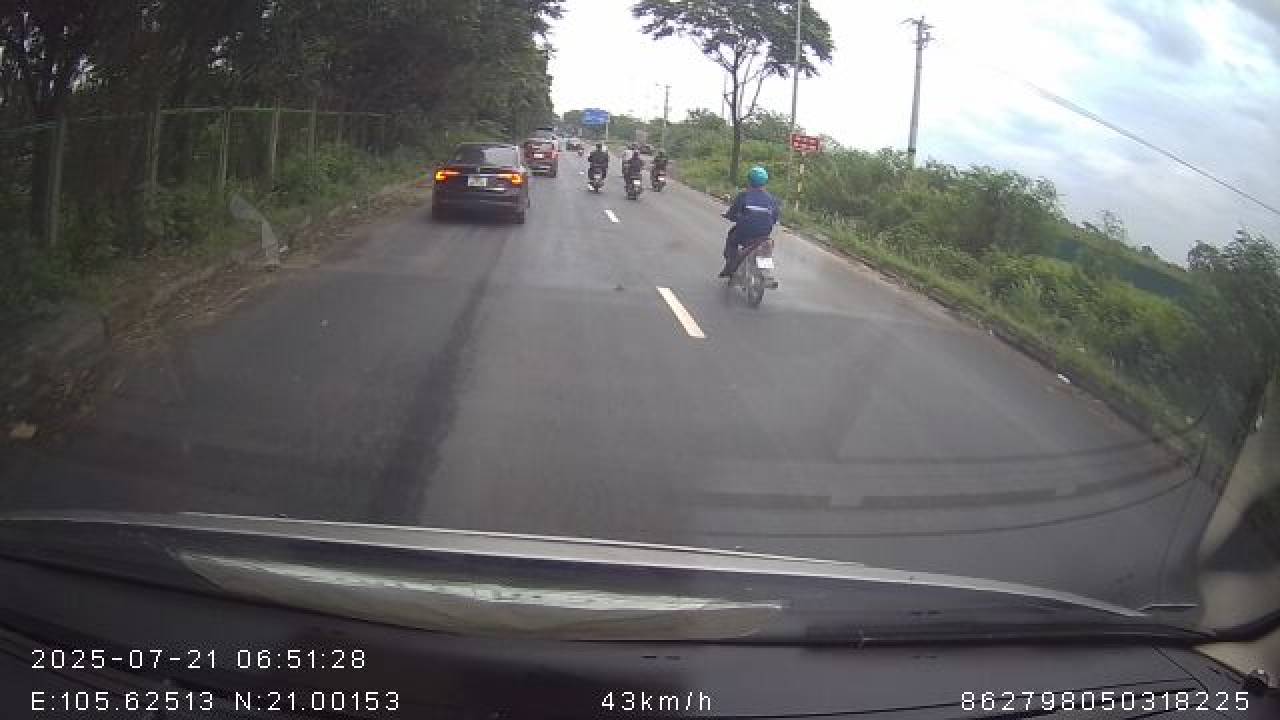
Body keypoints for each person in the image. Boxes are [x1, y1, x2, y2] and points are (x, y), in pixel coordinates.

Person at [719, 166, 780, 278]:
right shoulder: (772, 199)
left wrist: (728, 216)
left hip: (744, 234)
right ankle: (765, 274)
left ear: (749, 181)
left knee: (732, 239)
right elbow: (775, 218)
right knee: (766, 247)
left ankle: (731, 265)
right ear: (765, 182)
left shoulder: (744, 195)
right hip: (763, 235)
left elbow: (732, 214)